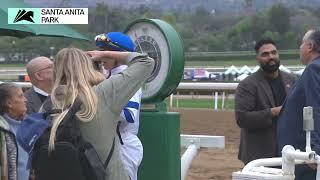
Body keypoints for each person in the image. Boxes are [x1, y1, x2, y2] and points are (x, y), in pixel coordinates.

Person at [37, 47, 154, 180]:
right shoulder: (103, 94)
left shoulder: (46, 106)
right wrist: (105, 54)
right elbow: (145, 62)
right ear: (87, 66)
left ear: (56, 71)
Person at [234, 38, 296, 164]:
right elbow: (242, 118)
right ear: (257, 58)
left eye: (274, 52)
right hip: (259, 155)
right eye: (265, 54)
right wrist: (273, 112)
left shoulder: (292, 80)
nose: (271, 57)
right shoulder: (247, 85)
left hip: (288, 151)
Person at [95, 32, 143, 180]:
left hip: (124, 146)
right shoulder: (108, 76)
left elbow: (129, 115)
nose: (101, 57)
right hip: (109, 143)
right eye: (101, 52)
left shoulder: (128, 78)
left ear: (120, 55)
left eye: (106, 53)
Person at [277, 29, 320, 180]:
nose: (300, 47)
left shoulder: (314, 69)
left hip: (304, 155)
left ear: (310, 46)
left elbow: (316, 107)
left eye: (302, 43)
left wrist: (315, 149)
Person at [0, 83, 29, 180]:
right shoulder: (2, 130)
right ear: (9, 103)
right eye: (21, 96)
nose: (25, 99)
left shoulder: (30, 125)